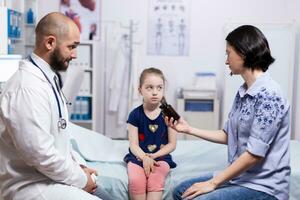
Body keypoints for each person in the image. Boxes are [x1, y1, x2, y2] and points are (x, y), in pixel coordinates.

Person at [169, 25, 290, 200]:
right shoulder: (243, 92)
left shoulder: (270, 95)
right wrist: (189, 129)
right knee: (181, 191)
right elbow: (230, 135)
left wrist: (213, 183)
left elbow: (253, 155)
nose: (226, 61)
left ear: (243, 52)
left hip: (265, 187)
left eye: (228, 53)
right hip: (242, 178)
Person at [0, 12, 108, 200]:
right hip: (29, 185)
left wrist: (78, 169)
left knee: (106, 195)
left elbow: (59, 139)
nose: (74, 55)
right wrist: (81, 180)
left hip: (48, 177)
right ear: (50, 43)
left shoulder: (46, 79)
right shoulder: (27, 89)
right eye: (71, 47)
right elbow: (41, 155)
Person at [124, 67, 177, 200]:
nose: (155, 92)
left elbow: (172, 144)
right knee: (136, 181)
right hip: (138, 158)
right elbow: (133, 145)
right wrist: (145, 158)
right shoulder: (135, 115)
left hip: (161, 158)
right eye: (149, 88)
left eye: (159, 88)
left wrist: (154, 156)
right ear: (140, 90)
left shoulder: (169, 114)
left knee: (155, 180)